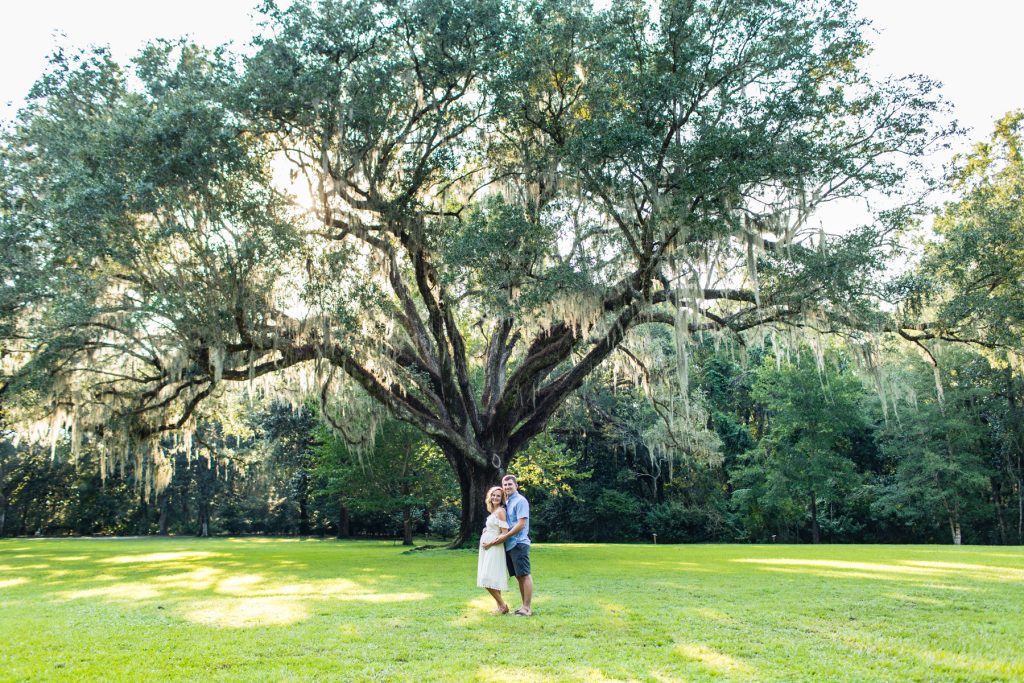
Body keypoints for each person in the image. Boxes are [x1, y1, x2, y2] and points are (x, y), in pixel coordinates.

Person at [484, 474, 532, 616]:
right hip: (509, 545)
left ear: (516, 485)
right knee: (519, 576)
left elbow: (521, 524)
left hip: (518, 543)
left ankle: (527, 608)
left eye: (510, 484)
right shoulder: (508, 501)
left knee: (525, 575)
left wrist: (505, 536)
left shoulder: (520, 501)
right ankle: (523, 606)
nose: (507, 487)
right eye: (505, 485)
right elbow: (503, 522)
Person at [477, 486, 511, 614]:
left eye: (498, 496)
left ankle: (503, 606)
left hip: (494, 548)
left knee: (487, 578)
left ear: (502, 499)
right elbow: (495, 527)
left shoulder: (501, 511)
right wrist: (487, 530)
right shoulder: (494, 511)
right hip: (487, 548)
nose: (495, 497)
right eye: (493, 495)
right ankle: (499, 607)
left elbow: (504, 533)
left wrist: (490, 543)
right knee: (493, 578)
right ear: (489, 496)